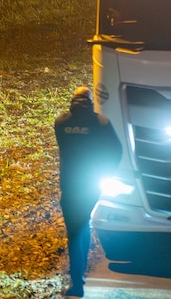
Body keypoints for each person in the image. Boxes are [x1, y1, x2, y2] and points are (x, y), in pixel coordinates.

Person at [54, 86, 121, 299]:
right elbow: (116, 151)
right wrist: (105, 171)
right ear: (90, 102)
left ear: (73, 100)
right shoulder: (101, 122)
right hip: (91, 185)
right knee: (83, 226)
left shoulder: (61, 123)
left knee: (74, 232)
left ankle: (77, 283)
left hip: (69, 185)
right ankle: (79, 278)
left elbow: (64, 148)